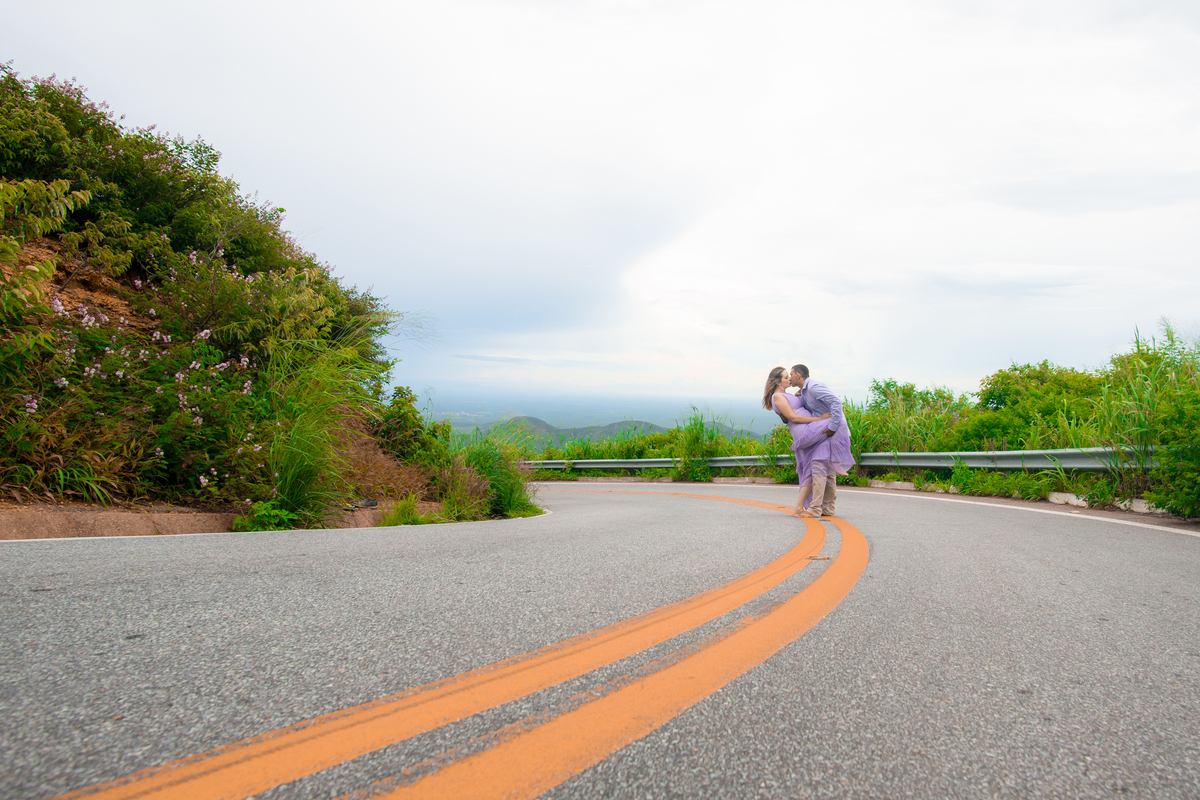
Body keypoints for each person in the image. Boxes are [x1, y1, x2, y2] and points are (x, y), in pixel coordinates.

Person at [762, 367, 832, 518]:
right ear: (778, 382)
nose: (789, 379)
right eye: (786, 377)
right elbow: (793, 418)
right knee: (834, 423)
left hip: (808, 427)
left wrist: (798, 396)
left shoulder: (785, 395)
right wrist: (819, 419)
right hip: (804, 431)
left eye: (789, 376)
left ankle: (800, 508)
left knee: (810, 468)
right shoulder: (777, 397)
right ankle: (800, 508)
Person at [788, 364, 854, 517]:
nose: (789, 378)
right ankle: (828, 509)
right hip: (828, 430)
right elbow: (816, 407)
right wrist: (800, 396)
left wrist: (832, 427)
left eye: (790, 374)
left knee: (818, 464)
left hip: (832, 429)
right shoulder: (806, 391)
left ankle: (815, 509)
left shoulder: (814, 387)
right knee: (827, 468)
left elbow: (836, 402)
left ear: (798, 375)